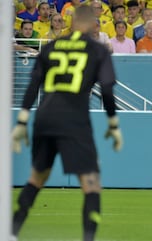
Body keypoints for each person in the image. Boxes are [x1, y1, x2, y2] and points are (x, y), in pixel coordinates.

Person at [11, 5, 123, 241]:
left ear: (71, 23)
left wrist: (21, 121)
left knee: (36, 178)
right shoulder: (97, 50)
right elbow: (107, 90)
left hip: (44, 118)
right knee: (91, 183)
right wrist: (113, 123)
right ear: (94, 25)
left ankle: (11, 232)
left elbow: (33, 86)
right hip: (74, 120)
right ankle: (88, 238)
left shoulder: (51, 47)